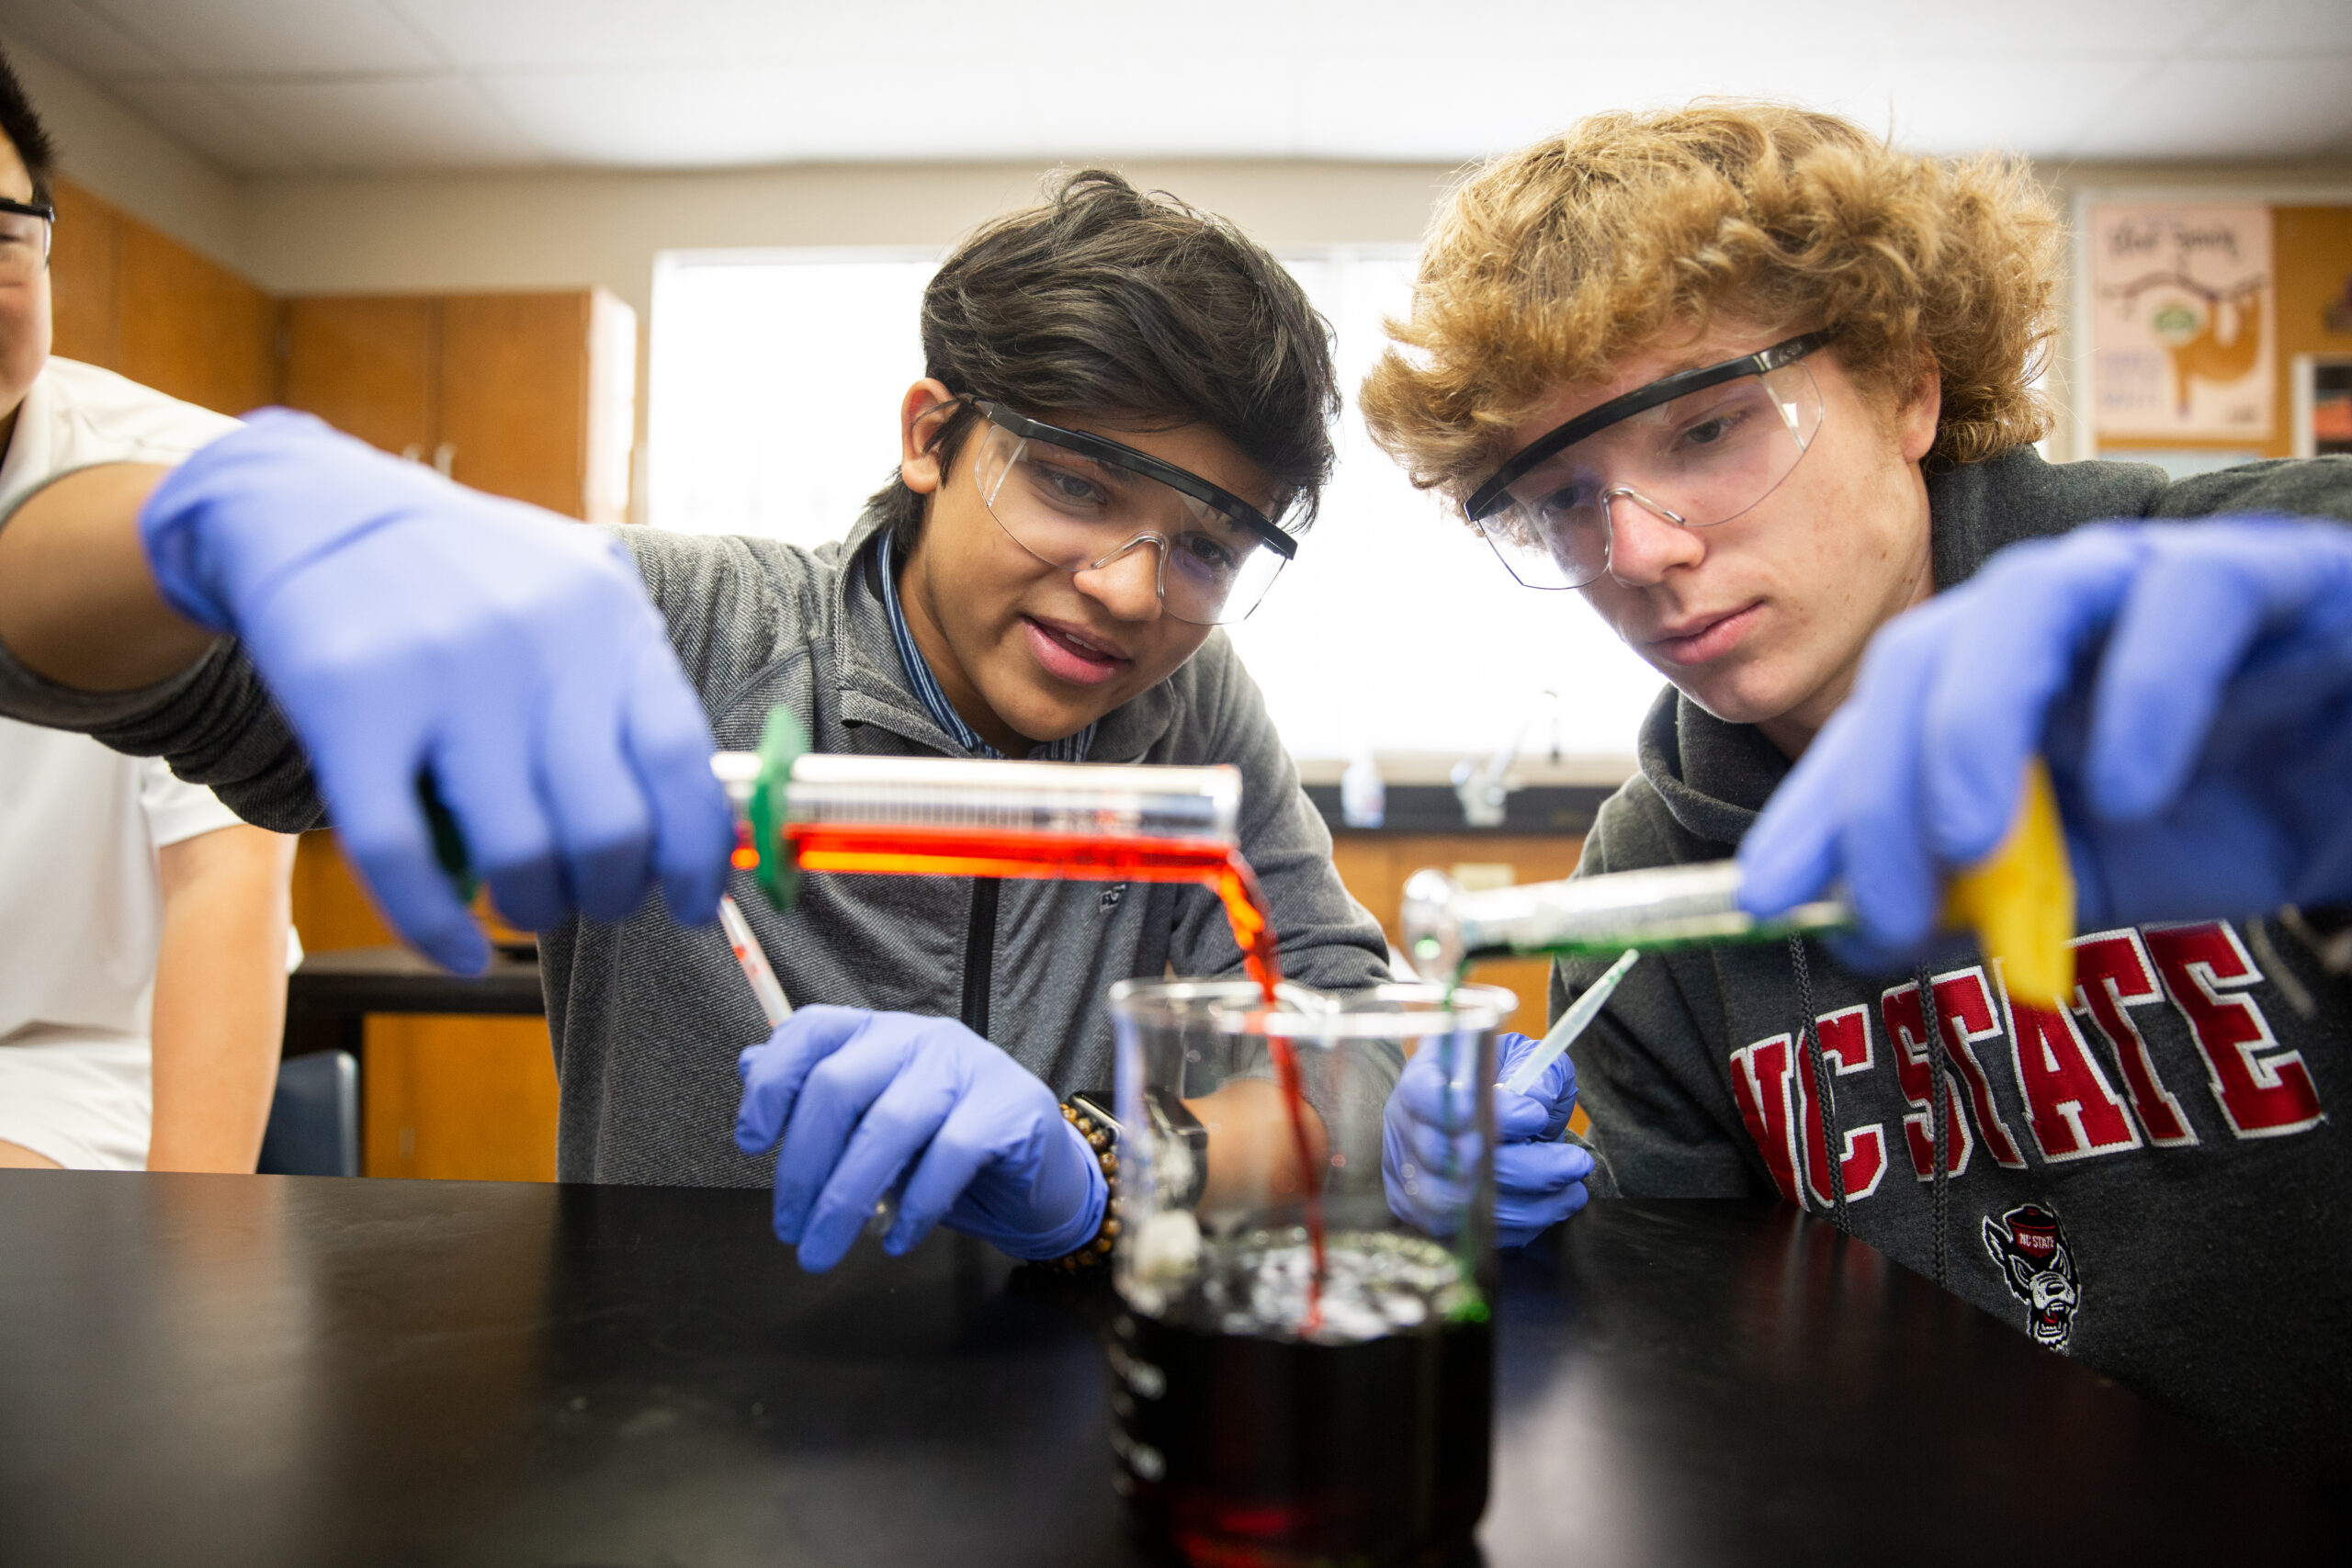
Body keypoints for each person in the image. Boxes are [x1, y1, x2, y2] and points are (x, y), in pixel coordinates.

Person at [0, 170, 1420, 1271]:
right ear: (932, 434)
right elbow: (63, 649)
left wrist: (1090, 1162)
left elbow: (1355, 1056)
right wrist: (198, 521)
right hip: (670, 1397)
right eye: (1076, 487)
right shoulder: (668, 622)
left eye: (1209, 546)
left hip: (1058, 1392)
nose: (1127, 588)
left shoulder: (1188, 701)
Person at [1360, 102, 2352, 1472]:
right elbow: (1698, 1375)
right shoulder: (1650, 885)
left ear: (1908, 386)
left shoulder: (2264, 595)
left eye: (1706, 430)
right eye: (1564, 499)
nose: (1637, 549)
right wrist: (1558, 1241)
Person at [0, 55, 295, 1175]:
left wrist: (193, 1259)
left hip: (90, 1051)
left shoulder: (187, 488)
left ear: (48, 249)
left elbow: (226, 867)